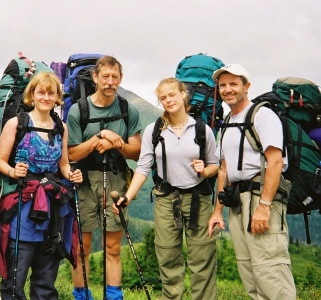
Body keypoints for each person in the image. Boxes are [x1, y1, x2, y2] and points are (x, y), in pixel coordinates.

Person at [113, 77, 219, 299]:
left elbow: (215, 166)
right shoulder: (154, 130)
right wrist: (128, 197)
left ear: (183, 94)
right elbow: (143, 167)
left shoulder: (202, 129)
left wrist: (205, 170)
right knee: (167, 256)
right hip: (166, 199)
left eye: (172, 94)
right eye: (163, 97)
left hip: (199, 199)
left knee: (203, 258)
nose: (168, 100)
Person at [208, 64, 296, 299]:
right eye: (223, 85)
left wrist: (264, 207)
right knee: (249, 272)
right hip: (237, 203)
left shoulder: (263, 115)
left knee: (271, 271)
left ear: (246, 87)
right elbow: (224, 169)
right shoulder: (227, 121)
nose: (227, 89)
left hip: (260, 199)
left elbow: (275, 162)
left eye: (233, 84)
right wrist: (218, 211)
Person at [0, 71, 83, 300]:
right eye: (40, 92)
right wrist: (13, 171)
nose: (45, 97)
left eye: (50, 93)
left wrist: (72, 174)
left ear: (57, 97)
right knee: (16, 277)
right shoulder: (16, 124)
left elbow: (63, 164)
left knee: (46, 278)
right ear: (31, 95)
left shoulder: (60, 127)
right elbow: (0, 161)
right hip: (23, 203)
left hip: (52, 207)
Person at [67, 55, 142, 300]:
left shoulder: (126, 109)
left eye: (115, 77)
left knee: (112, 247)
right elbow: (71, 153)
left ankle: (113, 296)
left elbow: (137, 151)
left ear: (120, 78)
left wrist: (116, 144)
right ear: (95, 77)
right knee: (82, 248)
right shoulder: (79, 110)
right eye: (105, 76)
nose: (110, 82)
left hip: (116, 180)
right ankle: (82, 296)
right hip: (85, 181)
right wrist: (100, 137)